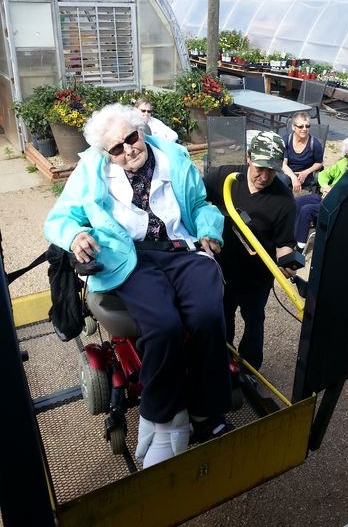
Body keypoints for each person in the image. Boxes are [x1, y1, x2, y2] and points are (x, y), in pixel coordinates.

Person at [44, 103, 232, 468]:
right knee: (163, 325)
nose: (128, 149)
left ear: (140, 131)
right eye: (116, 147)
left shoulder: (174, 159)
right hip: (129, 256)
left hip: (180, 248)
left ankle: (205, 409)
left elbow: (199, 205)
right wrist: (76, 235)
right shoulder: (91, 172)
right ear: (106, 153)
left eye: (131, 138)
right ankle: (164, 418)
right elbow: (61, 217)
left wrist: (210, 231)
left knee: (209, 315)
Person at [204, 131, 297, 373]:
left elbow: (284, 241)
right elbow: (194, 199)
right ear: (248, 157)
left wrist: (286, 261)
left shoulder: (284, 200)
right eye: (260, 167)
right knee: (222, 316)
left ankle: (251, 369)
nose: (265, 176)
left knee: (254, 320)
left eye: (272, 170)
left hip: (256, 276)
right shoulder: (224, 177)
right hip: (221, 268)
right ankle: (223, 361)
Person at [294, 135, 348, 252]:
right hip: (327, 197)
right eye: (347, 155)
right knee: (298, 201)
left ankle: (300, 246)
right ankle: (294, 237)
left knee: (306, 210)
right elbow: (323, 174)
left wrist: (333, 194)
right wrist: (325, 186)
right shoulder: (342, 163)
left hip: (339, 205)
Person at [280, 111, 324, 195]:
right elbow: (283, 164)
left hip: (305, 177)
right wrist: (293, 177)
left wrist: (306, 172)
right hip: (288, 174)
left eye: (307, 126)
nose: (304, 129)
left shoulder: (315, 144)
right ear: (293, 127)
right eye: (300, 126)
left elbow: (319, 163)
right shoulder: (286, 140)